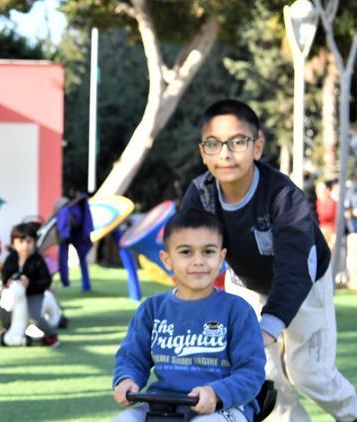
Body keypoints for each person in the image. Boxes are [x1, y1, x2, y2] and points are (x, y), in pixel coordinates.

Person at [181, 99, 357, 421]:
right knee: (262, 377)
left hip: (305, 283)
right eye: (213, 144)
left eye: (237, 142)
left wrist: (271, 325)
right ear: (203, 152)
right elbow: (191, 255)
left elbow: (295, 266)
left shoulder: (282, 196)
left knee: (308, 373)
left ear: (257, 147)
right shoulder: (200, 195)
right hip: (246, 283)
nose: (225, 153)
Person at [112, 209, 266, 422]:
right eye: (186, 252)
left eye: (208, 252)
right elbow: (132, 358)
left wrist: (216, 392)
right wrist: (126, 379)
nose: (198, 261)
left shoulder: (237, 311)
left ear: (221, 257)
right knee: (124, 420)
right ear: (167, 260)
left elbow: (251, 373)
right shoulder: (151, 309)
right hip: (163, 403)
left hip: (225, 407)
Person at [0, 222, 60, 347]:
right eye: (21, 241)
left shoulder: (38, 260)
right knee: (2, 309)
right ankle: (6, 329)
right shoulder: (11, 259)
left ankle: (51, 334)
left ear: (34, 242)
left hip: (33, 294)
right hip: (14, 292)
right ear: (14, 243)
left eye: (29, 241)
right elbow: (4, 273)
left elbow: (46, 280)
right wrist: (7, 282)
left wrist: (30, 284)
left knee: (34, 316)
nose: (25, 245)